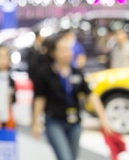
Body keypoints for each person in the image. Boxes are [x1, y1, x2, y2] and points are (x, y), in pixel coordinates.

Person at [32, 31, 112, 160]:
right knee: (65, 158)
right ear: (53, 53)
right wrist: (35, 123)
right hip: (54, 121)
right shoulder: (44, 73)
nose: (68, 53)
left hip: (75, 123)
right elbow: (40, 99)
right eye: (63, 49)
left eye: (68, 49)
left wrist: (103, 118)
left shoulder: (76, 72)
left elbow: (90, 95)